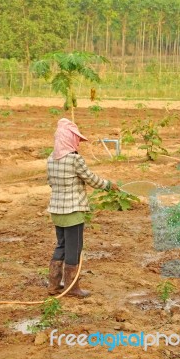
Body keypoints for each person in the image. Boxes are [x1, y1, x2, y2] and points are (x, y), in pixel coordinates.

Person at [47, 118, 119, 298]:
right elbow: (91, 179)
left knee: (61, 245)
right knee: (74, 248)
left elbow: (50, 182)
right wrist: (109, 185)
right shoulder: (74, 160)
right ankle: (72, 288)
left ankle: (54, 285)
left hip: (56, 210)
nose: (77, 142)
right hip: (73, 211)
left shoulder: (50, 159)